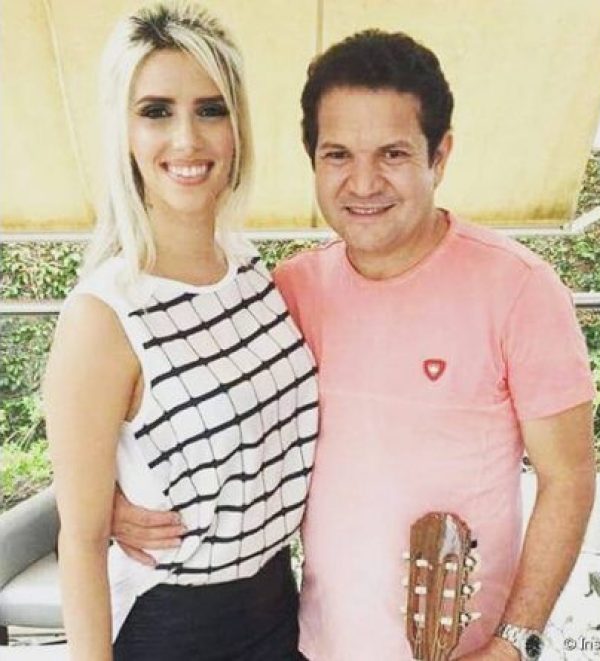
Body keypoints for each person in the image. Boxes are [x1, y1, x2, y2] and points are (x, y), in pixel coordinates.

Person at [113, 29, 596, 661]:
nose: (363, 184)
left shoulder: (520, 289)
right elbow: (195, 409)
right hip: (310, 645)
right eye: (338, 154)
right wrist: (111, 503)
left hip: (465, 651)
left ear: (440, 156)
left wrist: (514, 642)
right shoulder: (289, 290)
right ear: (312, 160)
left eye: (393, 154)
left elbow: (569, 477)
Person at [43, 3, 318, 660]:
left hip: (279, 607)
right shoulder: (103, 315)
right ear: (124, 132)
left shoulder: (250, 269)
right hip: (172, 629)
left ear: (237, 128)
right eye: (156, 111)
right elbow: (79, 541)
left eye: (210, 109)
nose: (187, 139)